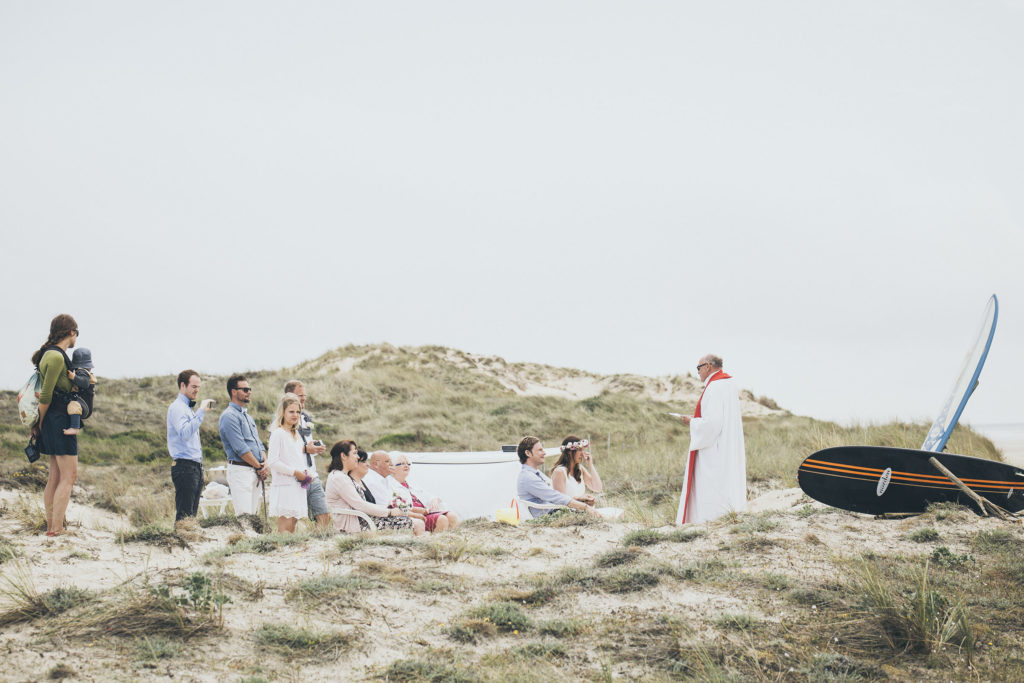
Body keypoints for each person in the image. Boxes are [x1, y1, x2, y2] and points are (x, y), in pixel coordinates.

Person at [674, 354, 747, 525]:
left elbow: (712, 424)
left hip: (715, 448)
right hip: (727, 443)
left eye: (698, 368)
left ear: (708, 366)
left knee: (712, 484)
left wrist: (692, 422)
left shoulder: (714, 387)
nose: (698, 372)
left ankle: (709, 519)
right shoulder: (729, 384)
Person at [30, 314, 80, 536]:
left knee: (56, 476)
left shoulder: (50, 355)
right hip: (58, 419)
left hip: (52, 419)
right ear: (71, 332)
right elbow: (47, 394)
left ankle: (51, 527)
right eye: (76, 333)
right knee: (69, 476)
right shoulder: (57, 357)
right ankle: (55, 528)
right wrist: (38, 423)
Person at [324, 441, 425, 535]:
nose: (357, 457)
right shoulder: (339, 478)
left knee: (414, 521)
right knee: (417, 524)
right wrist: (389, 512)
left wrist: (388, 509)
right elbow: (360, 505)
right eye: (354, 453)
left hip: (363, 521)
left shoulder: (341, 476)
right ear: (343, 456)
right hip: (357, 526)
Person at [166, 369, 216, 523]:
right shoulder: (177, 408)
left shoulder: (187, 408)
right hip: (184, 467)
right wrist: (201, 412)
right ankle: (180, 543)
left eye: (198, 387)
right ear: (183, 385)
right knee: (184, 516)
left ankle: (188, 543)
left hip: (194, 466)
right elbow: (185, 433)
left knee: (191, 517)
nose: (197, 390)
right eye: (194, 386)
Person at [218, 375, 269, 516]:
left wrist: (265, 464)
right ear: (234, 392)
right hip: (241, 471)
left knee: (254, 516)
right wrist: (259, 467)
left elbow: (258, 443)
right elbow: (240, 448)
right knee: (244, 516)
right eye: (245, 389)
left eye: (250, 389)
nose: (249, 392)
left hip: (255, 471)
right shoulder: (229, 416)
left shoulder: (247, 416)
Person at [283, 380, 330, 530]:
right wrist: (305, 449)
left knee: (324, 515)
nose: (303, 399)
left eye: (305, 396)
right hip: (295, 477)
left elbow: (304, 443)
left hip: (312, 473)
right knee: (291, 520)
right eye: (300, 395)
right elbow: (283, 450)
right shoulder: (282, 421)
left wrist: (314, 447)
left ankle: (314, 546)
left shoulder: (305, 418)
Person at [516, 436, 600, 519]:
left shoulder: (535, 474)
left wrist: (580, 499)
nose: (544, 453)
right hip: (550, 516)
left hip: (555, 512)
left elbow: (555, 497)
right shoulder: (528, 477)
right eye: (540, 450)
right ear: (528, 453)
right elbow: (556, 497)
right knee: (601, 516)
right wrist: (585, 507)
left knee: (603, 514)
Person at [266, 393, 312, 533]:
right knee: (285, 527)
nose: (295, 415)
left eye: (298, 412)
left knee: (293, 524)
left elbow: (297, 458)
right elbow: (273, 461)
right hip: (284, 485)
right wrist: (295, 472)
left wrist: (305, 471)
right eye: (291, 411)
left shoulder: (296, 435)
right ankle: (281, 551)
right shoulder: (278, 433)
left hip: (297, 485)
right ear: (283, 412)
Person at [390, 454, 459, 532]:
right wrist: (421, 511)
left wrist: (434, 500)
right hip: (414, 516)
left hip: (427, 512)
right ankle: (435, 542)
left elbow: (429, 496)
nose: (406, 466)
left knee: (452, 516)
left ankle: (449, 541)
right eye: (402, 463)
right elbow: (397, 507)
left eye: (408, 464)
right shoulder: (390, 485)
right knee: (441, 519)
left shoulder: (412, 483)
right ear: (392, 469)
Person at [550, 436, 603, 502]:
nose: (582, 454)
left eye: (583, 450)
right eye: (579, 450)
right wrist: (580, 498)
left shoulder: (580, 468)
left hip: (583, 509)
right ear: (569, 452)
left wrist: (590, 465)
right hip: (568, 511)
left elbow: (597, 488)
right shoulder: (559, 472)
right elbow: (561, 501)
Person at [62, 347, 97, 436]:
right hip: (85, 405)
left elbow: (84, 383)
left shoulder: (82, 372)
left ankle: (74, 427)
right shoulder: (84, 372)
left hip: (84, 405)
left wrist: (74, 377)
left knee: (73, 405)